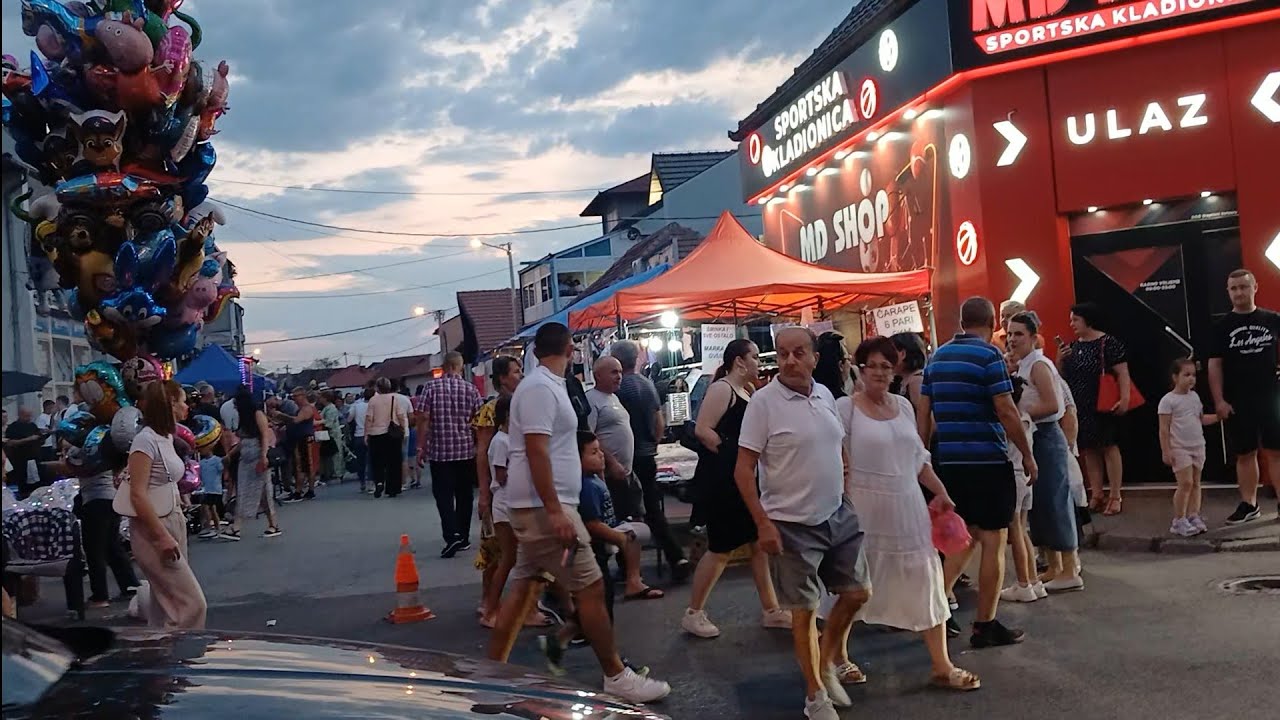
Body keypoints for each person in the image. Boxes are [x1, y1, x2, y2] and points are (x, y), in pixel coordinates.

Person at [486, 323, 671, 704]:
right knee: (590, 587)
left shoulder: (545, 386)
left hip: (542, 508)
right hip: (544, 510)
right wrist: (556, 510)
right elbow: (536, 450)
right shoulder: (539, 388)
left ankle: (491, 675)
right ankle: (616, 675)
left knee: (523, 587)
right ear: (571, 350)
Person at [735, 327, 871, 720]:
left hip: (837, 514)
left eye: (798, 353)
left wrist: (844, 481)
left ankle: (826, 660)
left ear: (813, 357)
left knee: (858, 592)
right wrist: (763, 523)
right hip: (790, 523)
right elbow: (743, 471)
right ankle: (815, 695)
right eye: (782, 354)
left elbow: (838, 443)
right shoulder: (763, 403)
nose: (790, 361)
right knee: (805, 610)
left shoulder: (826, 395)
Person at [838, 337, 979, 690]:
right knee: (851, 584)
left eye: (887, 366)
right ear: (860, 368)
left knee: (926, 579)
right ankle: (838, 657)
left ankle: (941, 665)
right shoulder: (845, 408)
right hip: (863, 509)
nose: (881, 373)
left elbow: (917, 458)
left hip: (907, 505)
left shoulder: (902, 406)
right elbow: (838, 462)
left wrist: (941, 491)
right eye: (874, 366)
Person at [917, 297, 1036, 647]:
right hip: (987, 461)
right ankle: (986, 624)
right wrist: (1027, 455)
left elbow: (924, 412)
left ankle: (936, 607)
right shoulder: (989, 357)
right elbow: (1006, 409)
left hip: (950, 464)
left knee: (962, 538)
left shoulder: (936, 359)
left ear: (962, 321)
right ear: (988, 324)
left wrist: (923, 457)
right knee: (994, 541)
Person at [683, 339, 790, 639]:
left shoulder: (748, 391)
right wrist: (731, 453)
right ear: (740, 361)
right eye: (755, 357)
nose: (759, 362)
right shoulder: (722, 389)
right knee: (721, 547)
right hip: (724, 481)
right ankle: (694, 612)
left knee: (757, 545)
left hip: (743, 478)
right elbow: (703, 429)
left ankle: (771, 609)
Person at [541, 431, 652, 676]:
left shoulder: (594, 480)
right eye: (593, 453)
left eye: (600, 450)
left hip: (599, 554)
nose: (601, 456)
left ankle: (560, 640)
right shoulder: (587, 487)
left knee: (594, 609)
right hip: (592, 555)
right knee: (602, 612)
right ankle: (616, 665)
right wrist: (619, 538)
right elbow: (592, 523)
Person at [1007, 312, 1082, 592]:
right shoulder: (1024, 365)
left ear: (1033, 337)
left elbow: (1054, 405)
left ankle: (1069, 567)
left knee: (1055, 501)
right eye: (1010, 334)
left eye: (1019, 334)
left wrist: (1020, 414)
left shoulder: (1039, 364)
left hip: (1046, 437)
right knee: (1039, 506)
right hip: (1033, 438)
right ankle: (1054, 566)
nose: (1013, 339)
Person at [124, 380, 207, 629]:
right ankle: (184, 655)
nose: (187, 406)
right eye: (182, 400)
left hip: (172, 519)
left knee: (165, 604)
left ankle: (161, 657)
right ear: (170, 403)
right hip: (154, 528)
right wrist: (160, 537)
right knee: (191, 604)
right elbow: (137, 494)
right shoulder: (145, 441)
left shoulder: (165, 437)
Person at [584, 357, 663, 602]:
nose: (619, 376)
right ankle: (623, 578)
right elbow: (591, 437)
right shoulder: (592, 400)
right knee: (619, 528)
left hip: (627, 474)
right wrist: (610, 463)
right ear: (598, 375)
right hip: (609, 476)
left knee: (635, 525)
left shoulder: (615, 398)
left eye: (619, 371)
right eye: (613, 372)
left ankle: (633, 578)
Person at [611, 340, 690, 581]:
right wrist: (653, 444)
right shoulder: (647, 385)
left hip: (626, 458)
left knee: (626, 511)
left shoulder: (619, 389)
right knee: (653, 509)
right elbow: (659, 422)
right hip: (647, 455)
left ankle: (627, 565)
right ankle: (676, 556)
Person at [1209, 269, 1280, 524]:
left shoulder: (1273, 319)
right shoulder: (1221, 327)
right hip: (1237, 400)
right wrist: (1219, 400)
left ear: (1254, 288)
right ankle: (1249, 505)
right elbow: (1214, 365)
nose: (1239, 292)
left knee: (1276, 451)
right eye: (1234, 288)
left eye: (1243, 287)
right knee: (1245, 453)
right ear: (1228, 292)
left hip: (1272, 397)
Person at [1058, 301, 1132, 516]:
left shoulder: (1108, 343)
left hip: (1103, 403)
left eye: (1076, 320)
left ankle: (1116, 494)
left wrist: (1125, 397)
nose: (1072, 324)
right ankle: (1097, 493)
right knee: (1088, 448)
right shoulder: (1073, 346)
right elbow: (1063, 376)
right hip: (1080, 404)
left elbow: (1123, 372)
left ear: (1088, 320)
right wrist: (1060, 359)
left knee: (1108, 446)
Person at [415, 351, 484, 558]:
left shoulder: (430, 388)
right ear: (460, 367)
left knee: (443, 496)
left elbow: (423, 418)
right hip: (465, 451)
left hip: (440, 453)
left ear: (444, 367)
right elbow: (479, 423)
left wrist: (421, 446)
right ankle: (463, 536)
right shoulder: (471, 389)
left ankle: (451, 534)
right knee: (464, 495)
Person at [1161, 358, 1219, 536]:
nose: (1191, 378)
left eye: (1193, 375)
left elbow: (1200, 419)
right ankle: (1179, 519)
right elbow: (1164, 428)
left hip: (1198, 445)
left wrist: (1218, 417)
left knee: (1195, 483)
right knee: (1185, 483)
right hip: (1179, 447)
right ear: (1175, 377)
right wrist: (1166, 450)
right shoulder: (1168, 401)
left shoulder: (1195, 397)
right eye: (1186, 375)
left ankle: (1194, 515)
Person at [999, 375, 1043, 602]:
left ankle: (1023, 582)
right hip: (1025, 478)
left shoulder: (1009, 421)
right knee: (1022, 529)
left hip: (1014, 477)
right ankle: (1034, 581)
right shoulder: (1026, 418)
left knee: (1015, 530)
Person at [75, 462, 140, 609]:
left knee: (94, 550)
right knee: (112, 546)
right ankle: (130, 585)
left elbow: (76, 467)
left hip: (95, 501)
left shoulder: (84, 448)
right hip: (111, 498)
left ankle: (100, 596)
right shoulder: (104, 445)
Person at [475, 356, 524, 550]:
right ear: (503, 378)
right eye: (516, 371)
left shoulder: (525, 402)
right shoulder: (491, 410)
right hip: (502, 488)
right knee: (498, 551)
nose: (521, 375)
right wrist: (484, 494)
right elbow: (482, 453)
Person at [227, 386, 282, 540]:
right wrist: (230, 454)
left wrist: (263, 456)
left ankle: (269, 524)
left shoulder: (257, 414)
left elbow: (264, 436)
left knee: (264, 492)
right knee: (244, 491)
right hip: (245, 458)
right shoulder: (244, 418)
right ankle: (240, 525)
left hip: (257, 456)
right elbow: (242, 441)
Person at [366, 377, 409, 499]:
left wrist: (366, 434)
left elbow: (369, 418)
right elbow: (401, 416)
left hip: (376, 434)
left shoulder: (373, 401)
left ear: (377, 387)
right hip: (392, 434)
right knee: (394, 461)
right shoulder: (394, 399)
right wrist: (404, 430)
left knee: (377, 461)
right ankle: (393, 488)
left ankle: (379, 481)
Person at [274, 388, 317, 502]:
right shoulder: (301, 409)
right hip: (299, 439)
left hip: (304, 440)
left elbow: (296, 420)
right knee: (302, 466)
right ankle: (304, 490)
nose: (294, 399)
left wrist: (282, 416)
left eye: (295, 396)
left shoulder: (307, 409)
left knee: (303, 466)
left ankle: (301, 491)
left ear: (303, 395)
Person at [3, 407, 43, 497]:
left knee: (36, 482)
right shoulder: (13, 428)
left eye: (30, 416)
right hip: (20, 460)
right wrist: (28, 439)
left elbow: (39, 437)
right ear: (20, 415)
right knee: (23, 483)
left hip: (34, 458)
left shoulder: (32, 425)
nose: (29, 418)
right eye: (26, 416)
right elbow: (10, 443)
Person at [890, 333, 929, 415]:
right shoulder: (905, 380)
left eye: (890, 352)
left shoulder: (916, 382)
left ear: (903, 354)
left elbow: (926, 418)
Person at [194, 444, 226, 540]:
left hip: (215, 488)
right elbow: (199, 474)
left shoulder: (217, 460)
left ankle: (211, 527)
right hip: (206, 488)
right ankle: (215, 527)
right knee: (210, 508)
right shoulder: (202, 463)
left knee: (209, 507)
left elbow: (221, 470)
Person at [317, 391, 346, 484]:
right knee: (331, 455)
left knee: (336, 455)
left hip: (333, 434)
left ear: (325, 398)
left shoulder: (331, 409)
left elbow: (328, 422)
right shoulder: (326, 408)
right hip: (329, 435)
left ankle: (338, 474)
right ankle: (331, 473)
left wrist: (318, 422)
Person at [349, 383, 373, 493]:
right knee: (372, 460)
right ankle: (371, 483)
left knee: (361, 461)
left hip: (359, 435)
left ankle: (362, 482)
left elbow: (349, 419)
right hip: (372, 435)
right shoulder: (375, 406)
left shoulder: (356, 406)